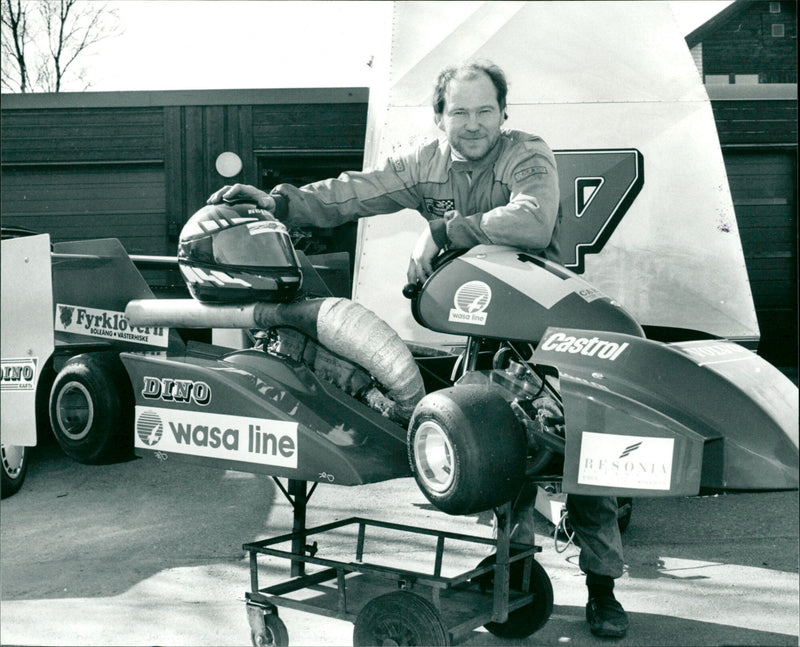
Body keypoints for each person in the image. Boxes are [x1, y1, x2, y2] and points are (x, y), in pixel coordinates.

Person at [207, 60, 629, 639]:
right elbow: (355, 192)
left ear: (504, 114)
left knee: (586, 463)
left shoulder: (527, 154)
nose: (474, 124)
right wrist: (281, 204)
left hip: (552, 331)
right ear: (440, 117)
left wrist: (444, 231)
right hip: (485, 333)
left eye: (485, 111)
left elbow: (532, 222)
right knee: (497, 462)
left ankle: (603, 589)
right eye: (460, 112)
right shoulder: (424, 164)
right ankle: (518, 568)